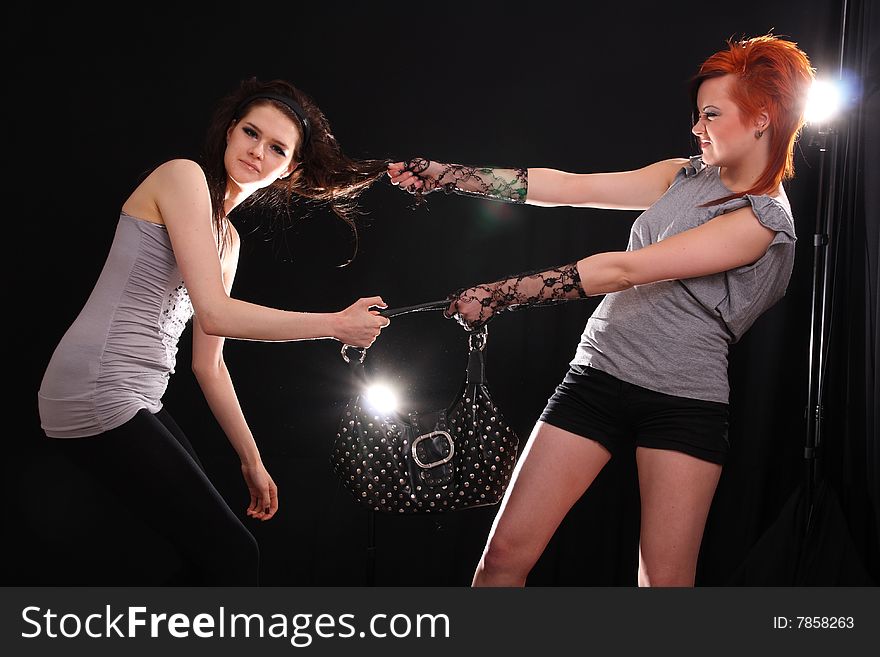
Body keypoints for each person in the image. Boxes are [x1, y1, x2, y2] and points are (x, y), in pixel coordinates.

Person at [387, 35, 814, 587]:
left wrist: (502, 293)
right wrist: (448, 175)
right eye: (697, 114)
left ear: (763, 118)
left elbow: (626, 270)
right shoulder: (682, 176)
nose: (696, 128)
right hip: (596, 378)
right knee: (501, 560)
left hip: (683, 402)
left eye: (711, 114)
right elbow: (570, 188)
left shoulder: (762, 222)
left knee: (662, 586)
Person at [38, 77, 391, 585]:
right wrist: (334, 325)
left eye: (276, 148)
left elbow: (209, 362)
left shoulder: (229, 241)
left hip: (137, 396)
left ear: (288, 169)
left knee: (207, 557)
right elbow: (216, 313)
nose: (257, 152)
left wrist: (251, 460)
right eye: (251, 133)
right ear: (229, 132)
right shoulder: (182, 178)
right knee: (232, 556)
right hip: (97, 385)